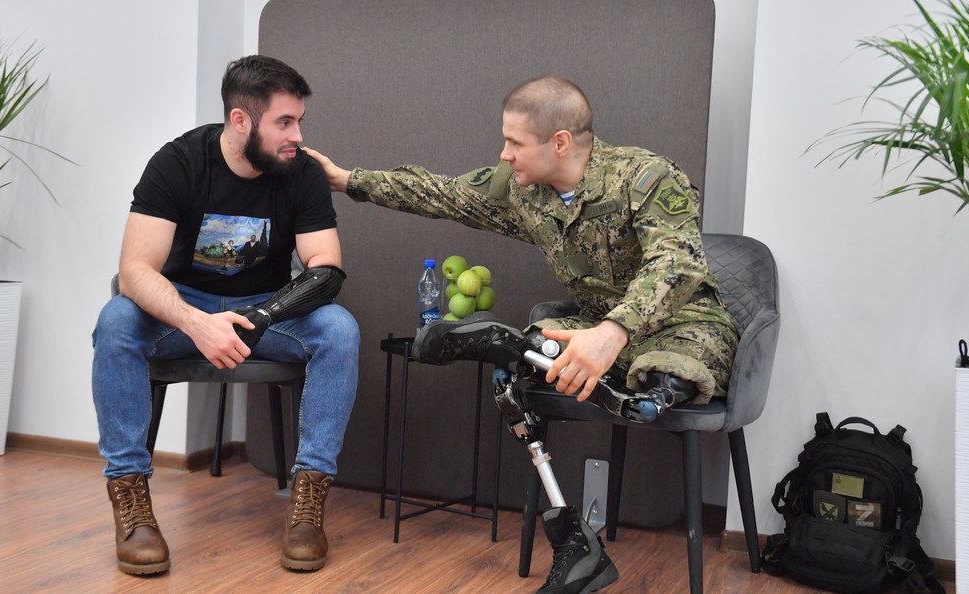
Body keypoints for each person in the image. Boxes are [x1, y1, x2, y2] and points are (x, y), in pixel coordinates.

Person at [305, 75, 738, 594]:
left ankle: (563, 364)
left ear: (559, 141)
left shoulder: (646, 177)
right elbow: (443, 192)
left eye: (514, 142)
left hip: (681, 328)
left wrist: (614, 332)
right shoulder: (522, 191)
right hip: (592, 335)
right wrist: (345, 180)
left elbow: (676, 261)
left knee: (656, 389)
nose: (504, 154)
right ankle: (575, 545)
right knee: (512, 377)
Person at [91, 55, 360, 576]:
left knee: (338, 329)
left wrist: (260, 317)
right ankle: (133, 509)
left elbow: (325, 272)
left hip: (265, 312)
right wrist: (196, 322)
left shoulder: (299, 170)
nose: (297, 135)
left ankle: (306, 507)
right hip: (181, 308)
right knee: (117, 320)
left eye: (299, 120)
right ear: (241, 120)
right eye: (285, 122)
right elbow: (135, 272)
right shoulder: (177, 163)